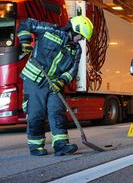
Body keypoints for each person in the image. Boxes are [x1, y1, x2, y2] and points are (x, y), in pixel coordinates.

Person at [18, 16, 94, 156]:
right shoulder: (49, 30)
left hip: (54, 83)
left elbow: (72, 70)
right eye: (81, 36)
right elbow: (26, 23)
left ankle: (61, 145)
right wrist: (25, 41)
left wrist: (61, 81)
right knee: (36, 114)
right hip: (34, 80)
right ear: (73, 30)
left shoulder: (76, 49)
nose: (81, 40)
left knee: (57, 112)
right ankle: (36, 146)